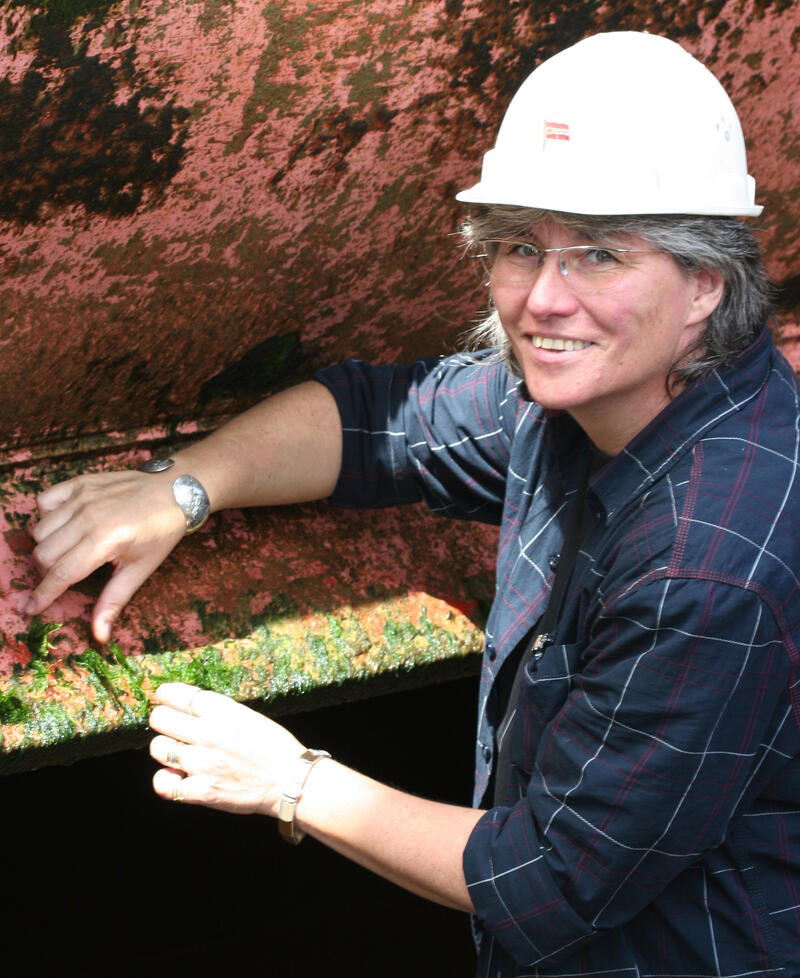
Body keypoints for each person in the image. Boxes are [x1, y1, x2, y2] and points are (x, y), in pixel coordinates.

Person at [27, 31, 799, 977]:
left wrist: (291, 782)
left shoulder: (707, 564)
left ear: (705, 283)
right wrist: (185, 488)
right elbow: (379, 421)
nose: (544, 300)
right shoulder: (595, 394)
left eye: (599, 255)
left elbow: (552, 882)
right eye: (521, 247)